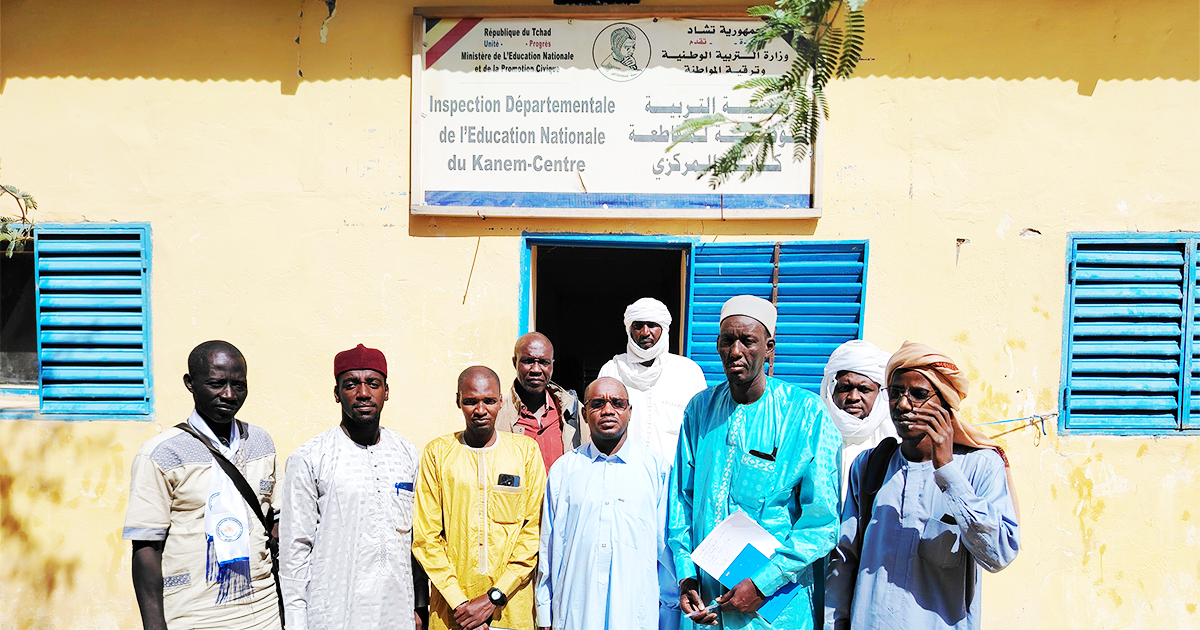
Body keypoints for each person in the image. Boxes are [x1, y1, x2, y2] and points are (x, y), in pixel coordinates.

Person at [668, 295, 842, 630]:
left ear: (769, 347)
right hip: (707, 602)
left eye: (748, 341)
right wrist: (687, 575)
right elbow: (681, 501)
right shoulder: (700, 410)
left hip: (774, 606)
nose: (736, 352)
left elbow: (821, 523)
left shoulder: (804, 413)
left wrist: (763, 583)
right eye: (727, 340)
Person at [824, 342, 1020, 630]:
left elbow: (999, 554)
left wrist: (948, 471)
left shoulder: (981, 467)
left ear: (945, 403)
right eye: (895, 393)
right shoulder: (870, 466)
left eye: (918, 395)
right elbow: (844, 560)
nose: (903, 405)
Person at [124, 341, 281, 630]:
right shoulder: (161, 453)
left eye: (239, 385)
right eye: (217, 384)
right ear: (190, 383)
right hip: (195, 615)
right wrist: (154, 625)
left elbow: (275, 516)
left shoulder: (260, 442)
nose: (229, 395)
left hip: (263, 610)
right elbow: (146, 546)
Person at [279, 344, 426, 630]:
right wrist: (297, 620)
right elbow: (295, 548)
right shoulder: (310, 457)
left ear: (386, 391)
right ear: (336, 394)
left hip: (397, 611)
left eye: (373, 383)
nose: (363, 393)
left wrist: (419, 605)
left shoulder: (406, 452)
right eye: (351, 384)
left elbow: (415, 538)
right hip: (335, 612)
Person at [535, 377, 676, 630]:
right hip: (576, 613)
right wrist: (545, 611)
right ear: (585, 413)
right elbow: (549, 546)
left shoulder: (657, 470)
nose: (608, 410)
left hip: (634, 614)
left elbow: (665, 554)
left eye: (617, 403)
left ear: (630, 412)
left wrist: (670, 616)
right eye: (598, 403)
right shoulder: (564, 471)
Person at [414, 366, 547, 630]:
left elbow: (534, 531)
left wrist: (494, 597)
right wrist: (461, 605)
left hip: (511, 610)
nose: (480, 410)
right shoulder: (438, 454)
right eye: (470, 401)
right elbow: (426, 537)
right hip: (453, 616)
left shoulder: (525, 453)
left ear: (501, 401)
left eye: (488, 401)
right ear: (458, 402)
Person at [598, 297, 708, 461]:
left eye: (652, 325)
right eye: (638, 325)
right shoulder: (612, 370)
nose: (645, 332)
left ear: (663, 328)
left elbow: (701, 430)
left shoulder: (689, 372)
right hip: (623, 473)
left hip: (672, 478)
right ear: (629, 329)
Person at [496, 332, 587, 472]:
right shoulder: (498, 414)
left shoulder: (573, 411)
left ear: (552, 365)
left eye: (544, 362)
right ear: (514, 362)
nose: (536, 370)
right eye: (528, 361)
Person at [819, 340, 898, 497]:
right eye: (845, 388)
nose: (854, 397)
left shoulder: (896, 439)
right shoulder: (811, 434)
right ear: (831, 391)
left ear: (880, 393)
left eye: (864, 389)